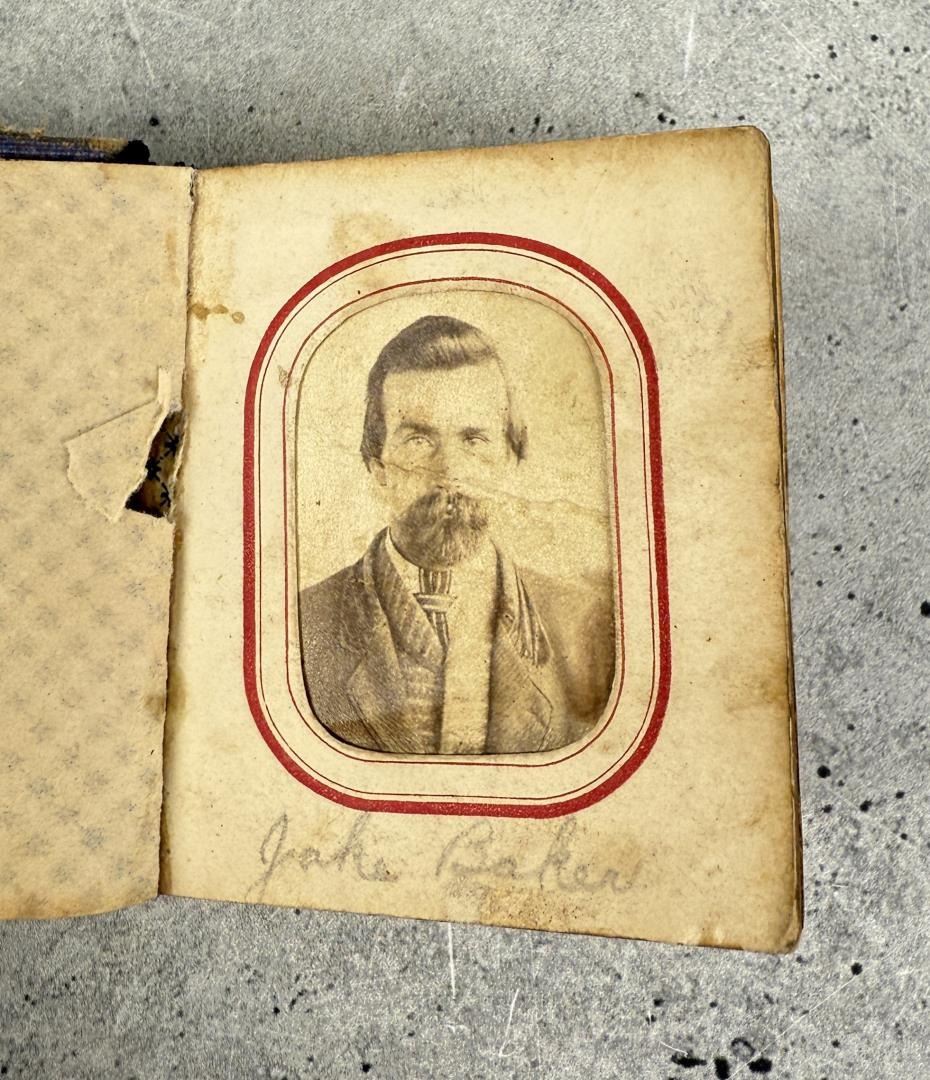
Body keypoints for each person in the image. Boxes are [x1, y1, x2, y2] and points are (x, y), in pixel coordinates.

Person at [299, 315, 615, 755]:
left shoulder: (582, 627)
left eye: (474, 440)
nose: (449, 472)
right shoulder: (302, 625)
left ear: (510, 461)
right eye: (418, 440)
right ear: (378, 468)